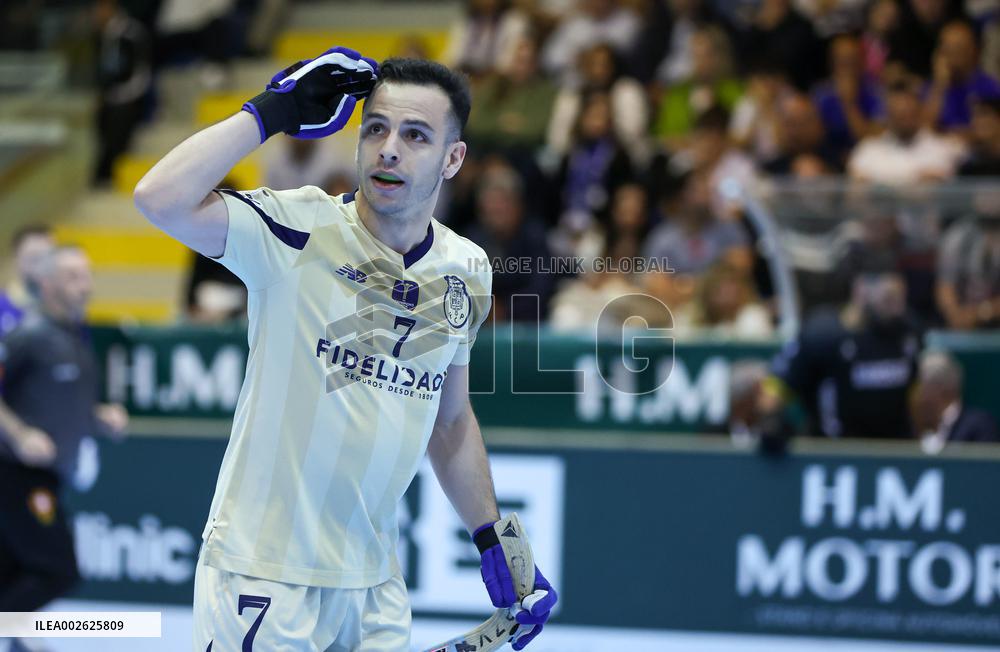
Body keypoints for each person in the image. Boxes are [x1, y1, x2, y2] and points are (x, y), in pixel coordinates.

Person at [133, 50, 557, 650]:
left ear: (453, 158)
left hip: (375, 585)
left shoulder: (467, 269)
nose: (389, 149)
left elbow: (451, 418)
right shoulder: (297, 229)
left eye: (416, 136)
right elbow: (158, 198)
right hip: (265, 574)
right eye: (377, 128)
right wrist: (269, 112)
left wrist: (494, 536)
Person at [0, 247, 128, 652]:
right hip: (15, 474)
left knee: (13, 570)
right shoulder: (29, 335)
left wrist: (98, 417)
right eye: (74, 276)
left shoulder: (75, 335)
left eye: (88, 275)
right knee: (58, 568)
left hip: (49, 474)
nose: (85, 285)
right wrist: (20, 434)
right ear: (48, 283)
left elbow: (60, 401)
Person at [765, 264, 922, 440]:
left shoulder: (908, 330)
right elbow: (777, 384)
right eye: (889, 300)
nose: (897, 310)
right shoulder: (822, 334)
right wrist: (771, 420)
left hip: (893, 447)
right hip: (834, 448)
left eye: (900, 301)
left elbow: (916, 393)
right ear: (861, 291)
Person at [911, 350, 999, 454]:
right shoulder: (915, 426)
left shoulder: (979, 426)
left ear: (946, 389)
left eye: (925, 387)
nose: (920, 396)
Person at [0, 225, 53, 338]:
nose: (41, 266)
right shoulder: (2, 306)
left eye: (49, 258)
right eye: (34, 258)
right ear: (16, 259)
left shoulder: (64, 311)